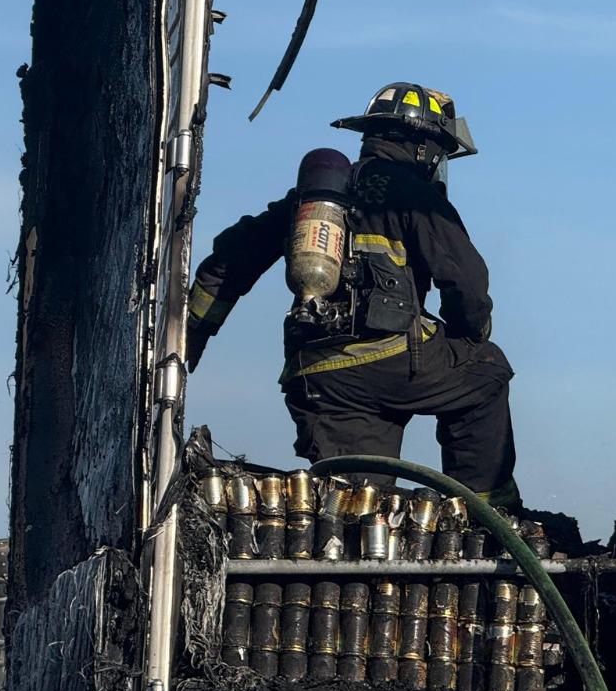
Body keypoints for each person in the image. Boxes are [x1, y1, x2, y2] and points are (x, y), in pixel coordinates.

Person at [186, 83, 521, 508]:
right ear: (424, 150)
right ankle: (488, 514)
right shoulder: (414, 195)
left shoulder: (311, 201)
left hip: (319, 375)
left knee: (358, 506)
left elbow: (232, 258)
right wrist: (470, 335)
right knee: (485, 372)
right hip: (393, 359)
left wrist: (191, 337)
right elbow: (467, 282)